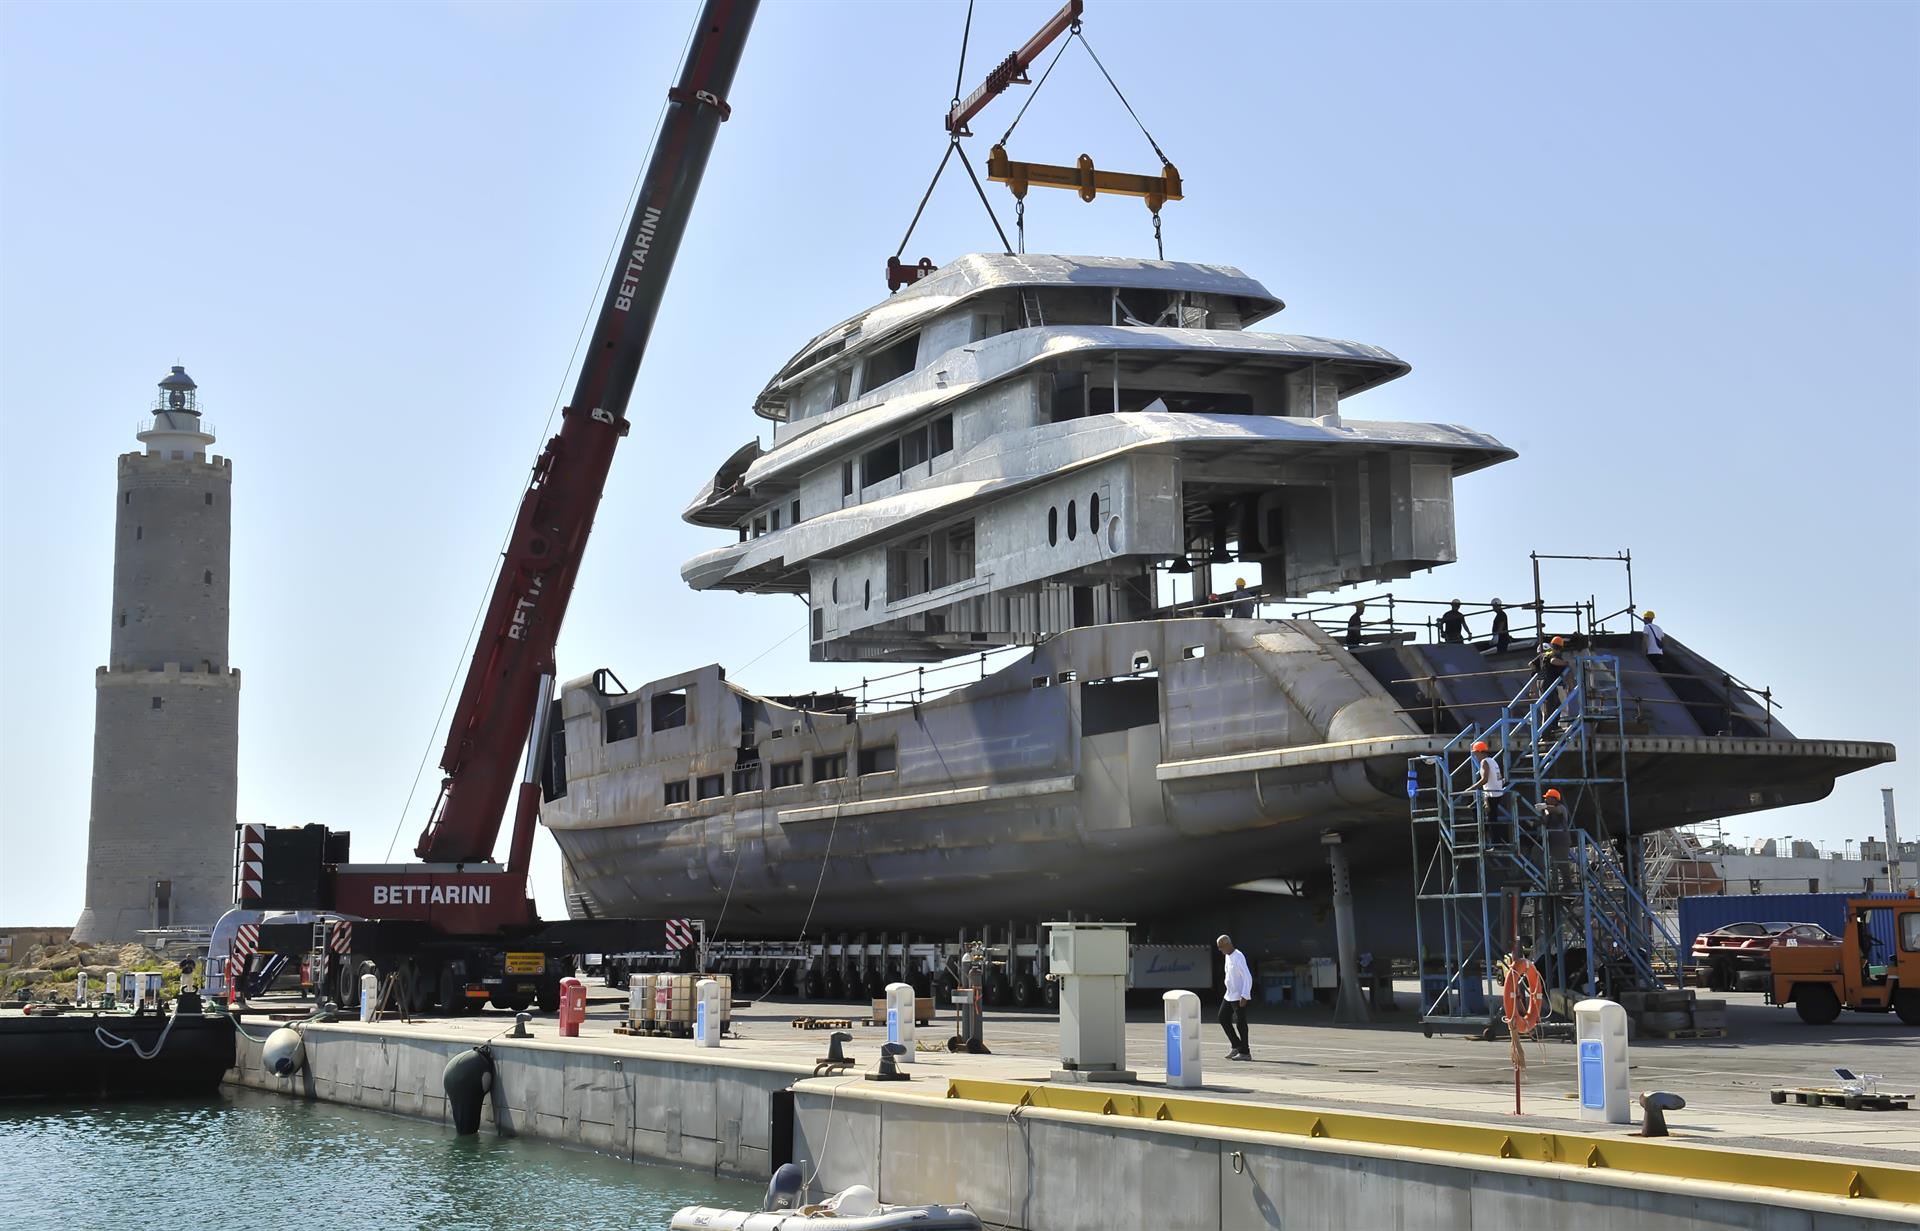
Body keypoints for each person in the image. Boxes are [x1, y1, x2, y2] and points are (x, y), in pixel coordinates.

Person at [1216, 934, 1254, 1061]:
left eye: (1221, 947)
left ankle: (1245, 1052)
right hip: (1229, 994)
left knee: (1240, 1022)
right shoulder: (1227, 956)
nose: (1220, 950)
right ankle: (1236, 1045)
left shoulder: (1238, 956)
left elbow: (1247, 976)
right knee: (1222, 1017)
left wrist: (1245, 995)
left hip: (1239, 995)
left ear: (1227, 944)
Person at [1538, 788, 1573, 891]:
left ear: (1554, 799)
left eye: (1547, 798)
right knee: (1553, 864)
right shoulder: (1548, 811)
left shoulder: (1561, 808)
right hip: (1552, 841)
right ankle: (1554, 885)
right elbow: (1544, 822)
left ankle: (1569, 885)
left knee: (1563, 864)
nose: (1545, 800)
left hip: (1561, 841)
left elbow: (1556, 811)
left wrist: (1544, 807)